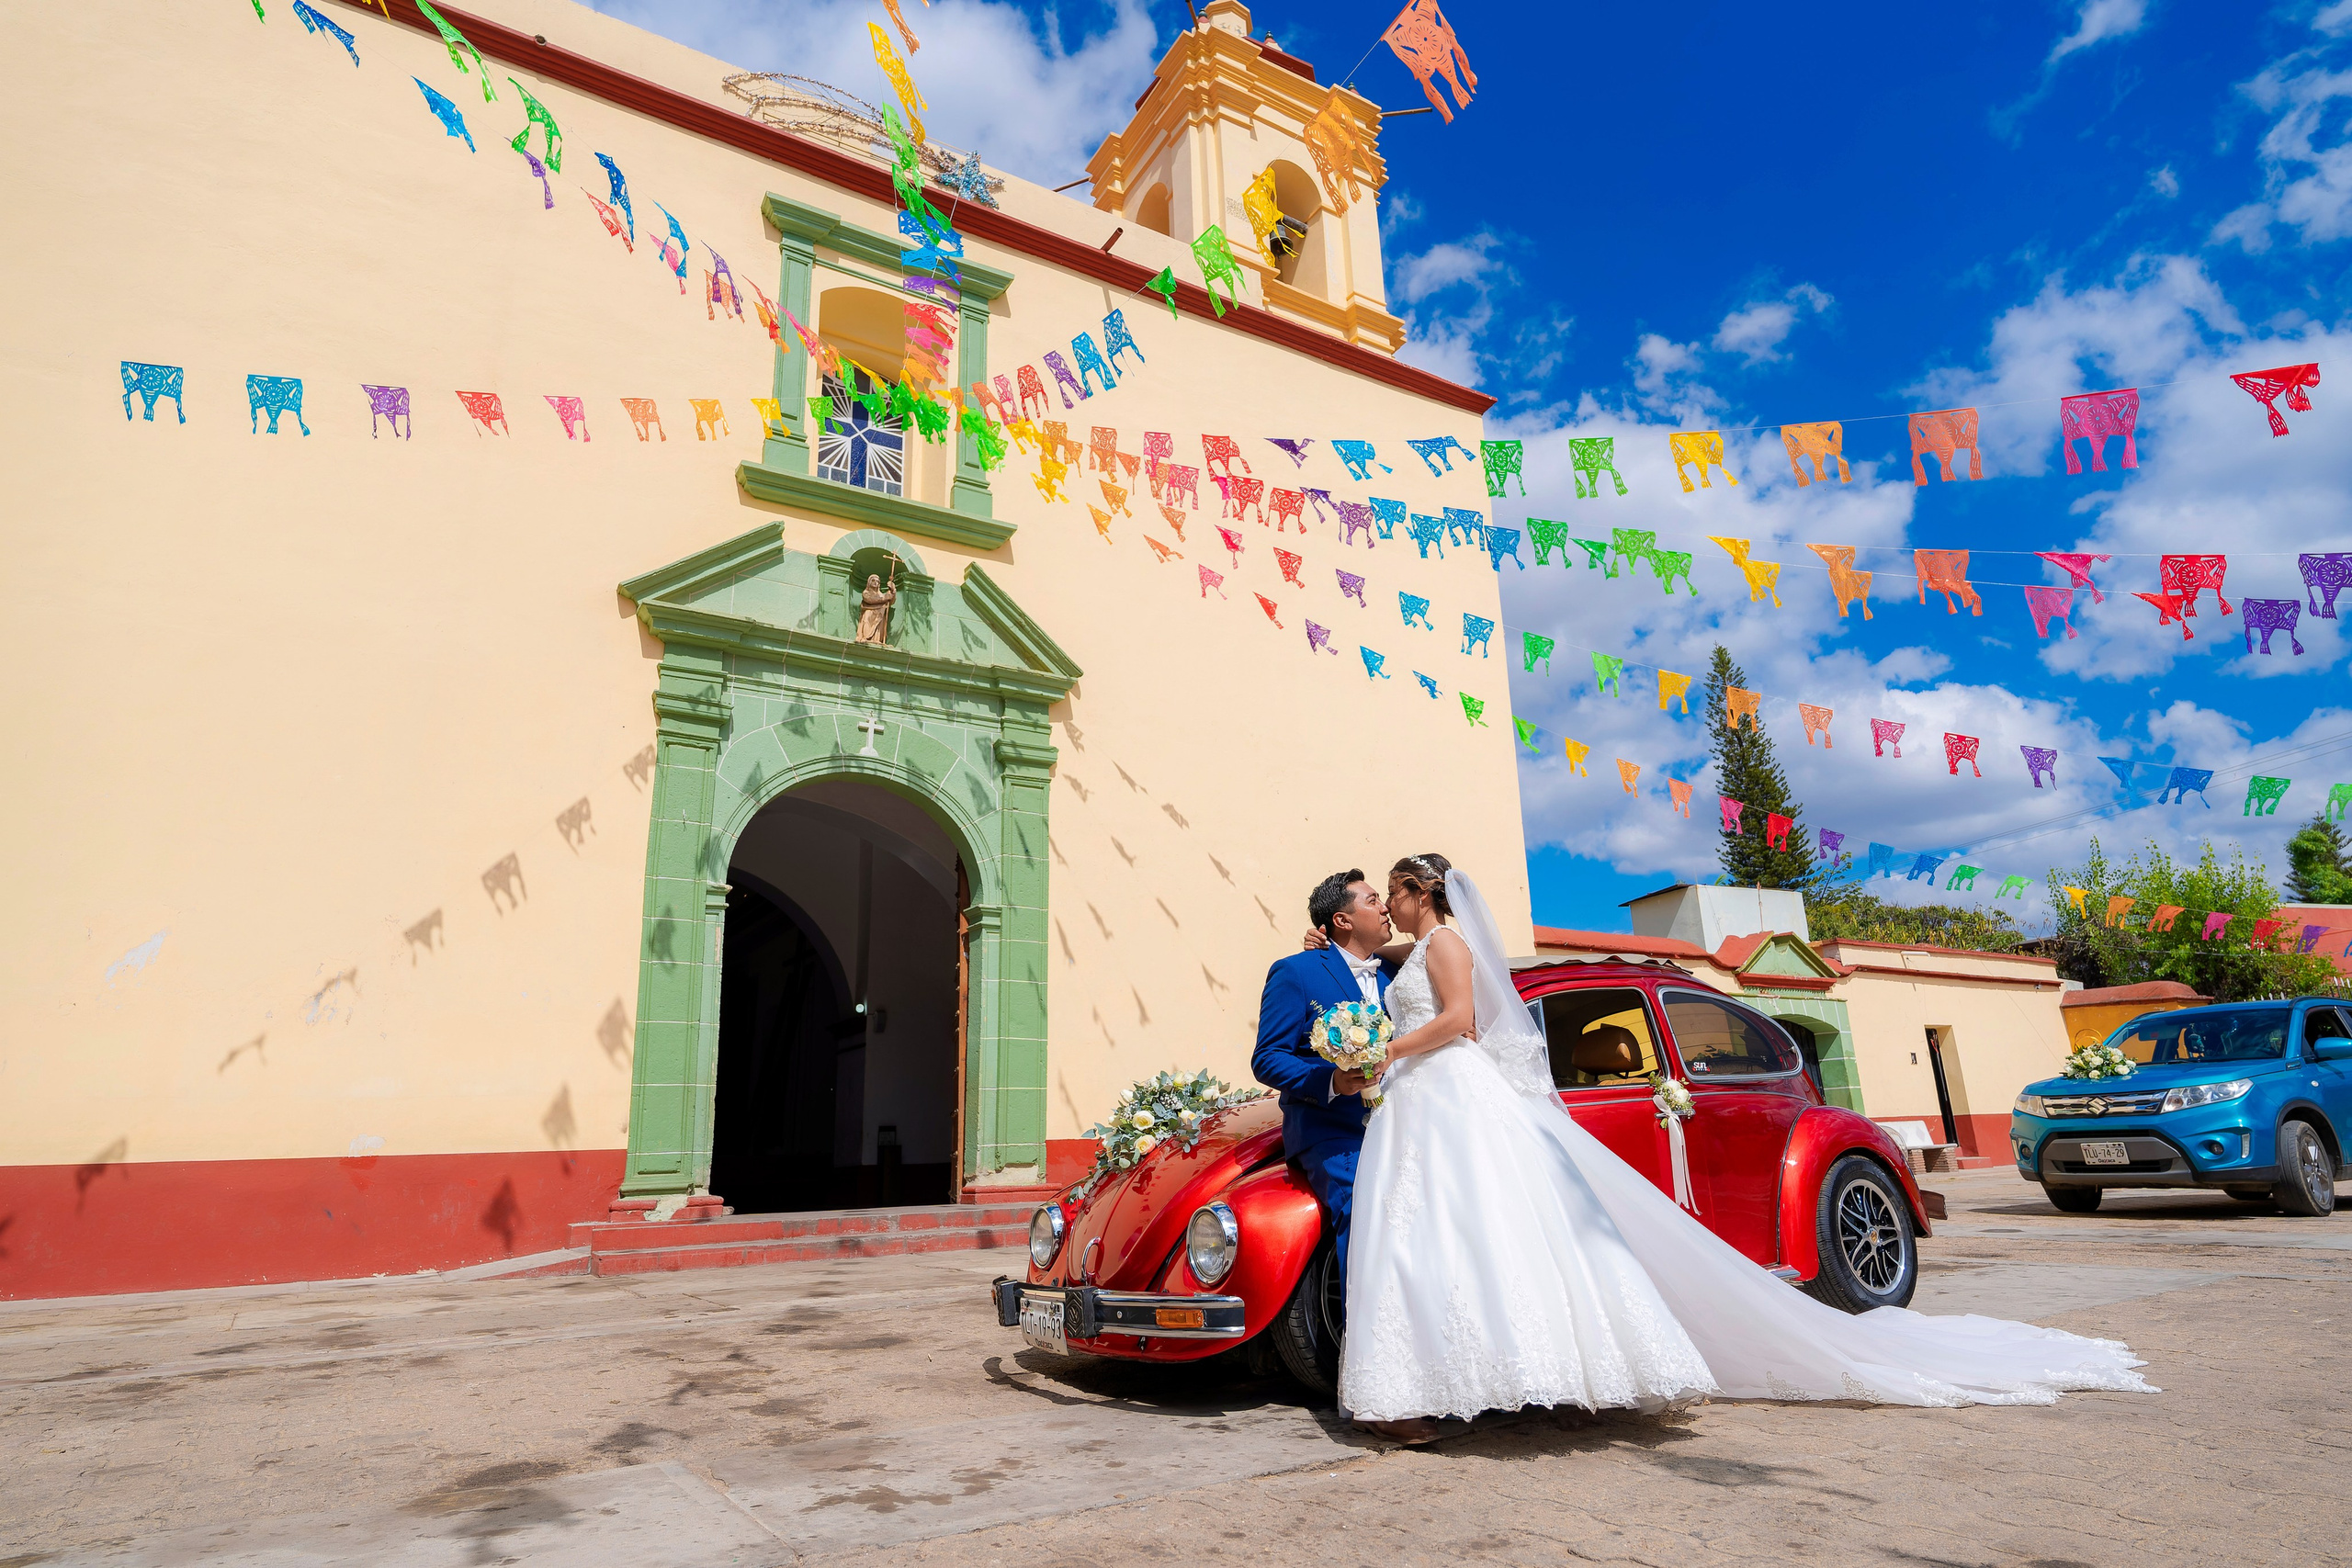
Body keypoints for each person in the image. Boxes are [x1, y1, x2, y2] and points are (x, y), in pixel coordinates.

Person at [1328, 852, 2156, 1444]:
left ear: (1418, 891)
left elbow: (1460, 1018)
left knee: (1493, 1229)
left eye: (1390, 892)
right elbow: (1417, 983)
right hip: (1425, 1100)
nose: (1385, 906)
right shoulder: (1417, 949)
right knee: (1444, 1233)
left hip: (1441, 1085)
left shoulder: (1446, 944)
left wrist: (1383, 1050)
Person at [1250, 871, 1399, 1291]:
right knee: (1365, 1209)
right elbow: (1267, 1058)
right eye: (1373, 900)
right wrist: (1331, 1080)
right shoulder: (1295, 972)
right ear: (1342, 920)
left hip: (1402, 1123)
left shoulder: (1397, 973)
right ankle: (1363, 1326)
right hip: (1332, 1130)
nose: (1386, 907)